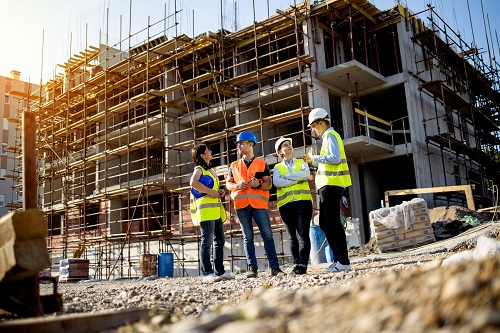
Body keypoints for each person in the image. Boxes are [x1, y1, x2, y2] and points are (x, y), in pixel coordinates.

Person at [226, 131, 284, 278]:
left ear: (251, 144)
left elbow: (269, 184)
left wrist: (258, 184)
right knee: (248, 237)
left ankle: (275, 268)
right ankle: (252, 269)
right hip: (241, 205)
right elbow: (228, 184)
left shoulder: (262, 164)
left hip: (259, 204)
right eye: (238, 144)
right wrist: (238, 185)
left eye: (241, 143)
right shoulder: (233, 165)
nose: (238, 145)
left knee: (268, 235)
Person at [302, 108, 352, 273]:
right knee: (324, 223)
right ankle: (338, 259)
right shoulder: (328, 137)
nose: (314, 130)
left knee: (333, 223)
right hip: (327, 185)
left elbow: (335, 159)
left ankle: (343, 261)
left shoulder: (330, 136)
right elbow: (327, 162)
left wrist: (315, 158)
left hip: (331, 185)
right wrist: (313, 161)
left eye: (314, 127)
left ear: (320, 123)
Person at [190, 144, 233, 282]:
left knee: (220, 241)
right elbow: (193, 183)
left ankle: (219, 271)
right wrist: (211, 192)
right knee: (206, 242)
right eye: (208, 150)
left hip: (215, 211)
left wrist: (218, 192)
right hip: (206, 212)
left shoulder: (211, 170)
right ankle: (207, 273)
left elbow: (212, 189)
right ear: (202, 155)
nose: (211, 151)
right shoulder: (199, 169)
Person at [273, 137, 313, 275]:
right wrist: (297, 177)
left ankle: (302, 265)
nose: (289, 146)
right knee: (292, 236)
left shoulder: (302, 162)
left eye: (290, 144)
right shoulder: (277, 167)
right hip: (285, 205)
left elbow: (306, 174)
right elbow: (277, 182)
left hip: (303, 202)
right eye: (285, 145)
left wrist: (287, 177)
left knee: (303, 234)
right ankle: (296, 263)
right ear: (280, 152)